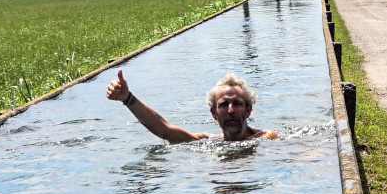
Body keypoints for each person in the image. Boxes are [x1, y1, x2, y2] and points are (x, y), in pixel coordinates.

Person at [106, 70, 278, 142]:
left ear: (248, 110)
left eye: (237, 104)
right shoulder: (208, 142)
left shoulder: (265, 138)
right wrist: (127, 98)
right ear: (214, 114)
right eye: (224, 105)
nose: (230, 110)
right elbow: (164, 130)